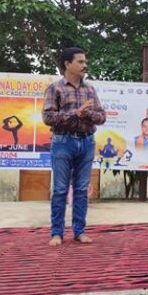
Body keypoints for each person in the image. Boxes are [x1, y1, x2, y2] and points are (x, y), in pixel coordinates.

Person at [42, 47, 106, 246]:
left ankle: (79, 231)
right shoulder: (55, 88)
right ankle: (57, 233)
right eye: (80, 62)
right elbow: (48, 117)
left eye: (85, 62)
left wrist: (87, 114)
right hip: (63, 142)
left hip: (86, 141)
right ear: (67, 64)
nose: (84, 65)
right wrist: (75, 114)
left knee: (80, 189)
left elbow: (101, 117)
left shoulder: (90, 90)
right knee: (60, 189)